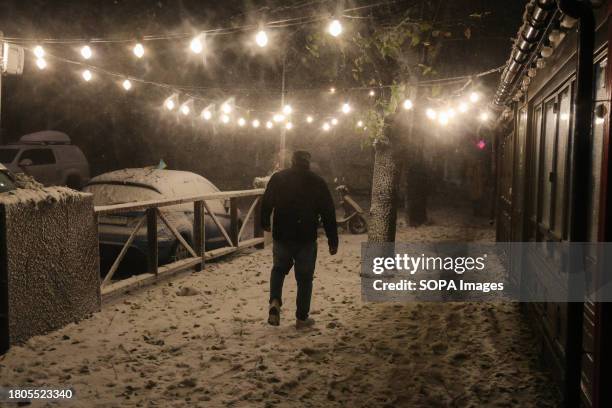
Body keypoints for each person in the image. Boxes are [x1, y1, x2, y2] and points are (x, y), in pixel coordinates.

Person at [261, 150, 338, 329]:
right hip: (306, 237)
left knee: (279, 270)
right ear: (308, 163)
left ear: (292, 161)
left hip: (282, 234)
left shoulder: (279, 178)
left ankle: (274, 301)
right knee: (304, 279)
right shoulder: (317, 182)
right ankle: (302, 318)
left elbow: (267, 202)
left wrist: (265, 221)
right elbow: (328, 211)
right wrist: (332, 239)